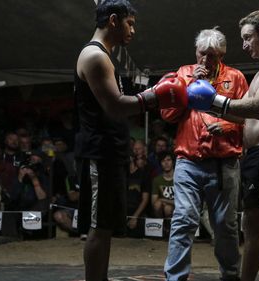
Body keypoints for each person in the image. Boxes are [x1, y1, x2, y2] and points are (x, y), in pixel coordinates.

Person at [186, 8, 259, 281]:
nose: (244, 45)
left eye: (248, 37)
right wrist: (211, 106)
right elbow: (241, 113)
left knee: (254, 228)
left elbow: (258, 108)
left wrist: (213, 99)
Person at [74, 1, 187, 280]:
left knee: (106, 226)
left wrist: (153, 95)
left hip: (109, 151)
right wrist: (156, 95)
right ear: (113, 20)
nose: (133, 30)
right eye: (130, 23)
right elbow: (115, 106)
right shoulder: (95, 57)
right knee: (99, 227)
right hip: (100, 152)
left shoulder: (105, 56)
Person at [161, 27, 248, 281]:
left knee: (225, 226)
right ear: (195, 51)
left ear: (221, 55)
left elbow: (249, 119)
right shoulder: (182, 74)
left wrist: (226, 126)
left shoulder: (236, 77)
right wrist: (187, 87)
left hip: (225, 164)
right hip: (188, 162)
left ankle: (230, 276)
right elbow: (167, 115)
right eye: (202, 54)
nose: (206, 61)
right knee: (184, 220)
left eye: (212, 56)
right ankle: (175, 278)